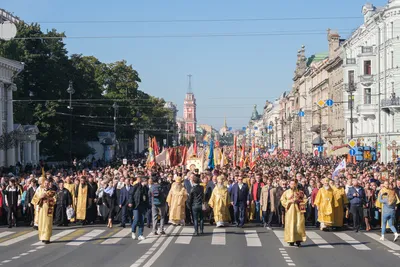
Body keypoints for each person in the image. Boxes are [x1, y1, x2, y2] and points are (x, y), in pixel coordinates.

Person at [280, 179, 307, 247]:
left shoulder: (300, 192)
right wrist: (289, 202)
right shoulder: (286, 192)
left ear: (296, 185)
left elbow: (305, 200)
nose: (293, 185)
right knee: (290, 225)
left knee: (299, 225)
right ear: (289, 184)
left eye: (294, 184)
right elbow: (283, 200)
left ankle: (298, 240)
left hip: (298, 212)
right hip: (290, 212)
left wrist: (299, 201)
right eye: (291, 184)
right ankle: (290, 240)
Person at [31, 179, 56, 244]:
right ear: (43, 184)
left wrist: (47, 197)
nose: (46, 185)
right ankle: (42, 237)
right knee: (41, 224)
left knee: (47, 224)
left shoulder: (52, 192)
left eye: (47, 183)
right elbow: (34, 199)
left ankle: (47, 238)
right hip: (41, 209)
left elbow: (54, 200)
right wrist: (40, 197)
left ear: (49, 184)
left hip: (48, 209)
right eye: (45, 183)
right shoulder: (39, 191)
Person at [129, 175, 149, 241]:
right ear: (144, 181)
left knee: (142, 220)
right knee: (136, 219)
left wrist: (148, 205)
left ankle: (140, 234)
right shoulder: (136, 186)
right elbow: (131, 194)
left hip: (143, 205)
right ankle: (133, 231)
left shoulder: (146, 188)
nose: (148, 182)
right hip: (136, 205)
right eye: (147, 181)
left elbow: (147, 197)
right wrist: (130, 202)